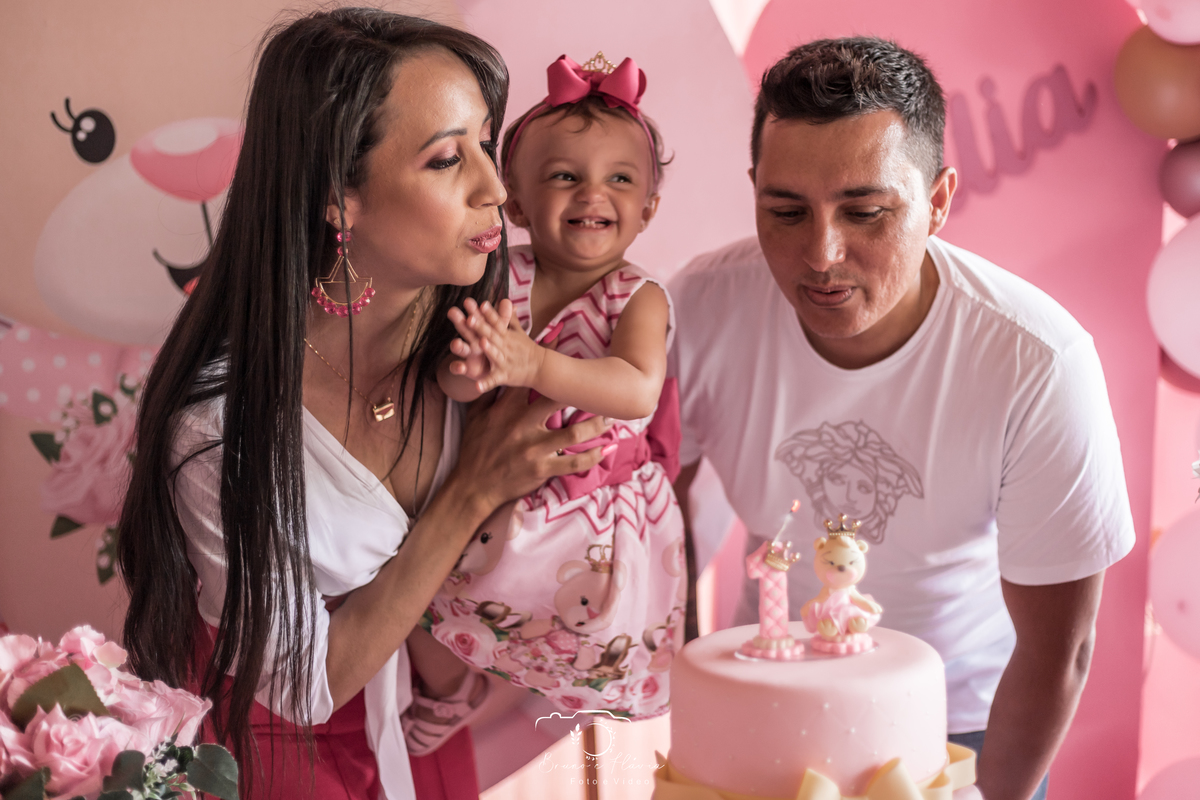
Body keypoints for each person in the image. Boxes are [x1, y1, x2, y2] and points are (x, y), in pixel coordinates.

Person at [116, 10, 609, 800]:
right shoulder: (219, 432)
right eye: (447, 159)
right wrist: (469, 491)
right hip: (274, 753)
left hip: (420, 724)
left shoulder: (487, 337)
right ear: (338, 197)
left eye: (488, 143)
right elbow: (306, 685)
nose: (494, 187)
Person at [669, 37, 1135, 800]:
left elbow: (1061, 651)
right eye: (785, 212)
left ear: (939, 202)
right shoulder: (701, 306)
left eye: (865, 212)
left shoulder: (1038, 360)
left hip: (966, 725)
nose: (822, 254)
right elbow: (658, 504)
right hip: (765, 696)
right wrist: (693, 686)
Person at [426, 52, 686, 718]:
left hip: (597, 503)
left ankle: (583, 710)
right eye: (565, 176)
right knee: (418, 596)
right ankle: (449, 696)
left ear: (649, 208)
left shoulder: (637, 295)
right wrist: (470, 371)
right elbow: (453, 382)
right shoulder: (498, 275)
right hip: (500, 486)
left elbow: (636, 389)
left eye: (620, 178)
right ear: (515, 201)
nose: (593, 194)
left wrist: (532, 365)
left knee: (590, 634)